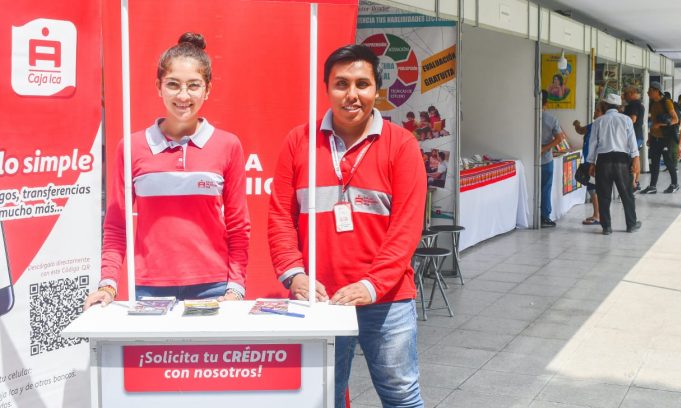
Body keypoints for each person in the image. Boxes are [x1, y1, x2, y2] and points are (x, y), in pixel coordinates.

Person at [267, 44, 426, 408]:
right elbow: (279, 216)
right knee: (324, 397)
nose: (351, 94)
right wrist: (295, 276)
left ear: (376, 90)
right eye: (341, 84)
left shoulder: (402, 145)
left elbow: (406, 227)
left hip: (387, 300)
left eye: (362, 84)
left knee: (401, 395)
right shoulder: (299, 142)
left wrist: (373, 285)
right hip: (319, 298)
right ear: (326, 88)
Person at [84, 33, 251, 309]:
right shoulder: (132, 147)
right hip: (150, 288)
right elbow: (116, 225)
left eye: (193, 86)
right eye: (173, 84)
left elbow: (238, 225)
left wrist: (236, 287)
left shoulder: (228, 145)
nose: (183, 95)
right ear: (159, 87)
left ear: (207, 89)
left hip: (214, 288)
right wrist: (108, 284)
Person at [587, 94, 641, 235]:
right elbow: (632, 141)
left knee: (603, 194)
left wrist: (591, 163)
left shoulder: (598, 121)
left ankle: (607, 227)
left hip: (603, 161)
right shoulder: (626, 120)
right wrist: (636, 158)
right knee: (626, 194)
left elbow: (593, 144)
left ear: (605, 106)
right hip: (621, 160)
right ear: (619, 107)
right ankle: (631, 224)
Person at [641, 81, 679, 194]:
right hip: (655, 138)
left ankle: (674, 184)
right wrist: (650, 136)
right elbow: (653, 122)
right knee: (655, 162)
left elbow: (675, 119)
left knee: (668, 162)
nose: (648, 93)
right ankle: (652, 186)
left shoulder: (667, 102)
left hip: (666, 138)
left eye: (650, 91)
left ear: (657, 91)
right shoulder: (653, 103)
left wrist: (660, 125)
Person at [573, 102, 605, 225]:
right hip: (590, 161)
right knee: (592, 188)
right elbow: (581, 130)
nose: (594, 112)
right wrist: (576, 124)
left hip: (595, 163)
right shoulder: (593, 125)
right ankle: (598, 214)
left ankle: (598, 215)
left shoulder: (601, 126)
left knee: (593, 188)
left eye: (597, 110)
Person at [541, 90, 565, 228]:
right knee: (545, 188)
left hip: (528, 157)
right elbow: (560, 138)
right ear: (547, 103)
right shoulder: (551, 119)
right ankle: (544, 217)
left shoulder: (526, 117)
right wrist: (545, 148)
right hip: (546, 159)